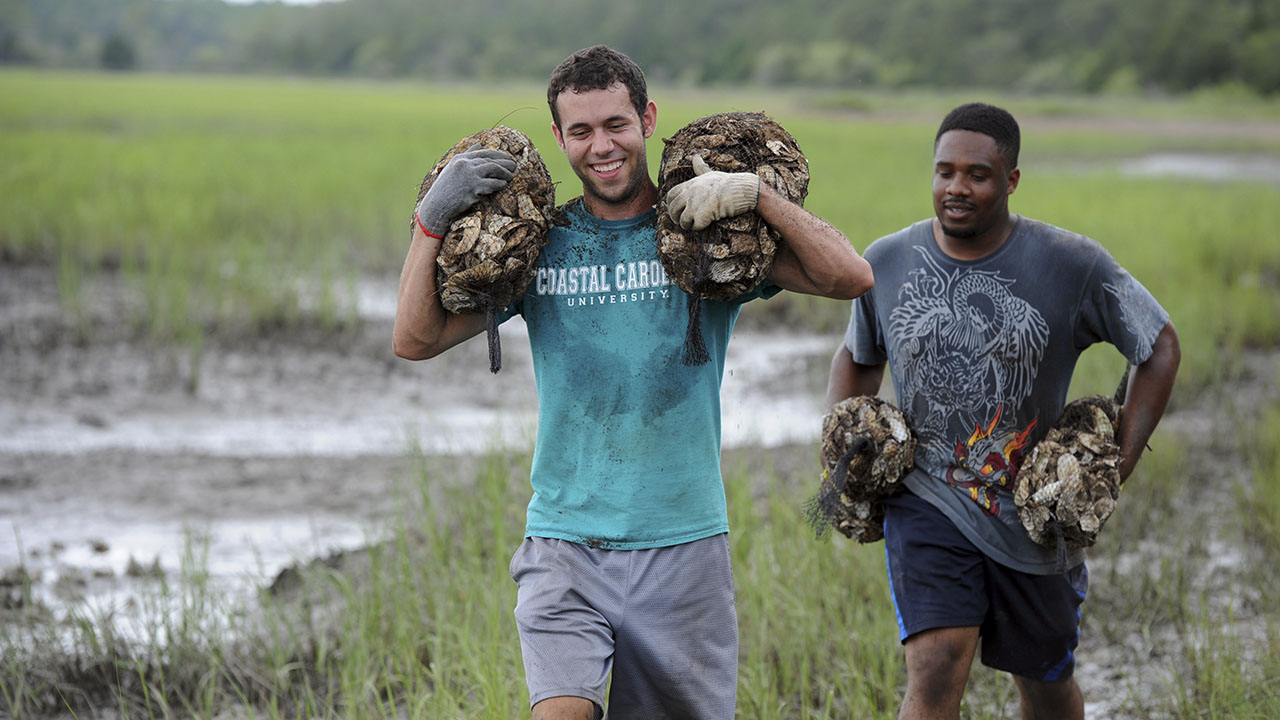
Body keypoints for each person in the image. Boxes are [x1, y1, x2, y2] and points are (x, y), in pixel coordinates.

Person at [394, 45, 873, 720]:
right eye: (581, 131)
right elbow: (415, 340)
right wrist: (430, 221)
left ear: (647, 120)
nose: (602, 147)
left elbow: (851, 276)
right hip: (564, 543)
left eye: (616, 124)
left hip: (683, 545)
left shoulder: (705, 237)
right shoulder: (539, 244)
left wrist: (754, 195)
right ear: (559, 137)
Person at [825, 102, 1180, 719]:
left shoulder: (1071, 264)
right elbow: (858, 357)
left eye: (977, 174)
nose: (956, 187)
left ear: (1011, 179)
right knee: (936, 667)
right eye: (944, 171)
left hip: (1033, 517)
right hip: (927, 500)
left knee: (1045, 686)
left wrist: (1114, 468)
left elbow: (1159, 345)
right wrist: (841, 449)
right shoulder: (886, 262)